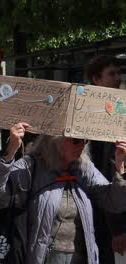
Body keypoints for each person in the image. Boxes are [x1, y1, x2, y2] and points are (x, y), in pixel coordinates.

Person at [0, 122, 126, 264]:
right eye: (76, 140)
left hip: (82, 256)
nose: (82, 145)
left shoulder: (84, 168)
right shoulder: (32, 166)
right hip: (45, 257)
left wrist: (120, 169)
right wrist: (10, 151)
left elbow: (114, 202)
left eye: (85, 141)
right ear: (55, 140)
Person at [85, 55, 124, 263]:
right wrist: (117, 227)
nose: (118, 78)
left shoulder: (119, 109)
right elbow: (107, 171)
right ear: (96, 79)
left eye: (119, 73)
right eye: (112, 73)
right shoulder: (85, 113)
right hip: (98, 210)